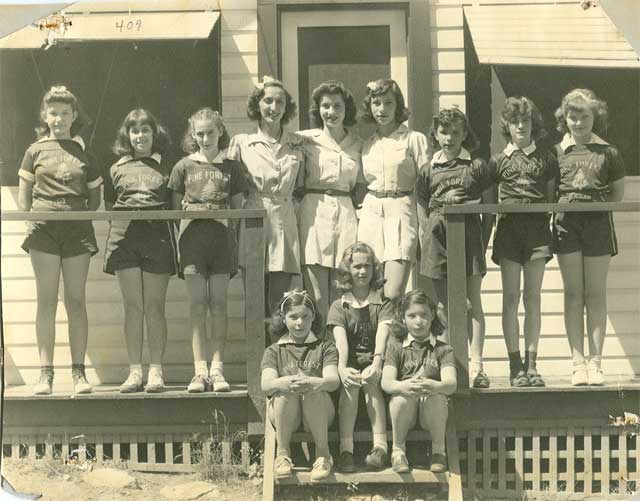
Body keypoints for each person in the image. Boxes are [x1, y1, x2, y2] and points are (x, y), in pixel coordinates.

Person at [18, 85, 102, 395]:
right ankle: (45, 374)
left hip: (76, 232)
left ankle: (79, 373)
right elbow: (24, 196)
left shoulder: (84, 151)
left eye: (65, 113)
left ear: (74, 116)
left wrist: (77, 216)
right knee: (46, 300)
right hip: (44, 231)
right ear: (44, 115)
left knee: (76, 300)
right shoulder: (34, 151)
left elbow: (95, 197)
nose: (59, 119)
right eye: (53, 112)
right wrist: (36, 218)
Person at [169, 108, 248, 393]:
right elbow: (175, 210)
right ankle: (199, 371)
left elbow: (236, 211)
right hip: (193, 242)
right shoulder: (183, 166)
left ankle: (217, 369)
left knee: (219, 305)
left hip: (221, 242)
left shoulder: (232, 167)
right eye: (199, 134)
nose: (205, 138)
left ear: (220, 131)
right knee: (197, 306)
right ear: (193, 134)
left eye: (210, 132)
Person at [415, 107, 494, 389]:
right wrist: (428, 236)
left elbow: (489, 208)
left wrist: (482, 241)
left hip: (469, 238)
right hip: (437, 239)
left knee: (472, 303)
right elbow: (421, 210)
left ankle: (477, 365)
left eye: (456, 132)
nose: (449, 138)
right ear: (435, 134)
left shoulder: (476, 166)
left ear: (464, 134)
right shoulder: (428, 170)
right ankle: (449, 363)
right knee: (443, 305)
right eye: (444, 132)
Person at [552, 89, 625, 386]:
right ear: (564, 118)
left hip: (597, 226)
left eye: (584, 116)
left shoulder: (608, 152)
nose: (578, 122)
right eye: (573, 116)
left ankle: (596, 363)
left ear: (596, 116)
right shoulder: (557, 151)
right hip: (566, 226)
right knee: (573, 293)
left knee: (595, 293)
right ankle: (577, 363)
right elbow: (550, 192)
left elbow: (617, 195)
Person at [103, 109, 176, 393]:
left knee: (155, 306)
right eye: (135, 130)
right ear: (127, 135)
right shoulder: (116, 168)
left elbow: (174, 206)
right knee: (133, 307)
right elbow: (110, 207)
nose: (140, 136)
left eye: (146, 130)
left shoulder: (166, 166)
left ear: (154, 134)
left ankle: (156, 371)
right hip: (125, 238)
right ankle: (135, 371)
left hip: (157, 237)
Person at [488, 97, 558, 388]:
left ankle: (532, 365)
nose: (520, 126)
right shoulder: (498, 160)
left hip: (537, 231)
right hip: (509, 231)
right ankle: (514, 365)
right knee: (510, 298)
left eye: (525, 121)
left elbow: (551, 197)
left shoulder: (546, 158)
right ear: (506, 125)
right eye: (515, 121)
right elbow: (491, 202)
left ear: (533, 124)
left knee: (533, 297)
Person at [227, 77, 306, 315]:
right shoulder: (242, 143)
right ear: (257, 105)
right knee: (254, 302)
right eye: (268, 101)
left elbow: (301, 186)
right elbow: (231, 188)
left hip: (284, 219)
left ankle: (276, 341)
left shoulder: (297, 143)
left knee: (278, 302)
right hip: (253, 216)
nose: (274, 107)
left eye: (280, 102)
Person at [357, 79, 430, 300]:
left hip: (401, 209)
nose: (382, 109)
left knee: (393, 292)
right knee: (372, 290)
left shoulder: (414, 139)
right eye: (376, 103)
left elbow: (427, 184)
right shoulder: (367, 144)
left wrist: (425, 224)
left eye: (388, 103)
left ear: (397, 105)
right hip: (371, 213)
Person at [298, 81, 362, 320]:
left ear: (346, 109)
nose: (331, 112)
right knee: (316, 294)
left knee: (341, 288)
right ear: (318, 109)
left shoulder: (358, 144)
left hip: (346, 214)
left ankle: (337, 339)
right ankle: (320, 340)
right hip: (313, 213)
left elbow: (362, 186)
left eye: (337, 106)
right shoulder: (305, 140)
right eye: (325, 106)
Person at [327, 242, 394, 472]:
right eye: (357, 266)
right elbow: (341, 342)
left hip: (377, 363)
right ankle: (346, 450)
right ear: (347, 270)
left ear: (374, 269)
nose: (362, 271)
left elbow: (383, 336)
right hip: (350, 364)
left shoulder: (383, 303)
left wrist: (377, 363)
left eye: (367, 266)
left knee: (370, 381)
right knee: (351, 384)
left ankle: (380, 447)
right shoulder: (339, 306)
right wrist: (342, 368)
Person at [261, 290, 340, 482]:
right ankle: (282, 454)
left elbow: (333, 381)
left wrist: (315, 382)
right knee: (283, 391)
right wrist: (285, 383)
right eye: (293, 317)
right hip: (287, 416)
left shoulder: (325, 346)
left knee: (314, 390)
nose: (300, 323)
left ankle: (323, 455)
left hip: (319, 414)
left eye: (305, 316)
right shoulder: (274, 350)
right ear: (283, 318)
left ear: (313, 317)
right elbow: (266, 384)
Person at [381, 289, 456, 473]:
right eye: (412, 315)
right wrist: (403, 386)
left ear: (432, 316)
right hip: (405, 411)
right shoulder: (396, 347)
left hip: (428, 412)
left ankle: (438, 452)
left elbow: (451, 383)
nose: (418, 321)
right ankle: (398, 451)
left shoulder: (442, 349)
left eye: (424, 315)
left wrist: (435, 386)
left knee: (438, 397)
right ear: (403, 318)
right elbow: (386, 382)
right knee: (399, 398)